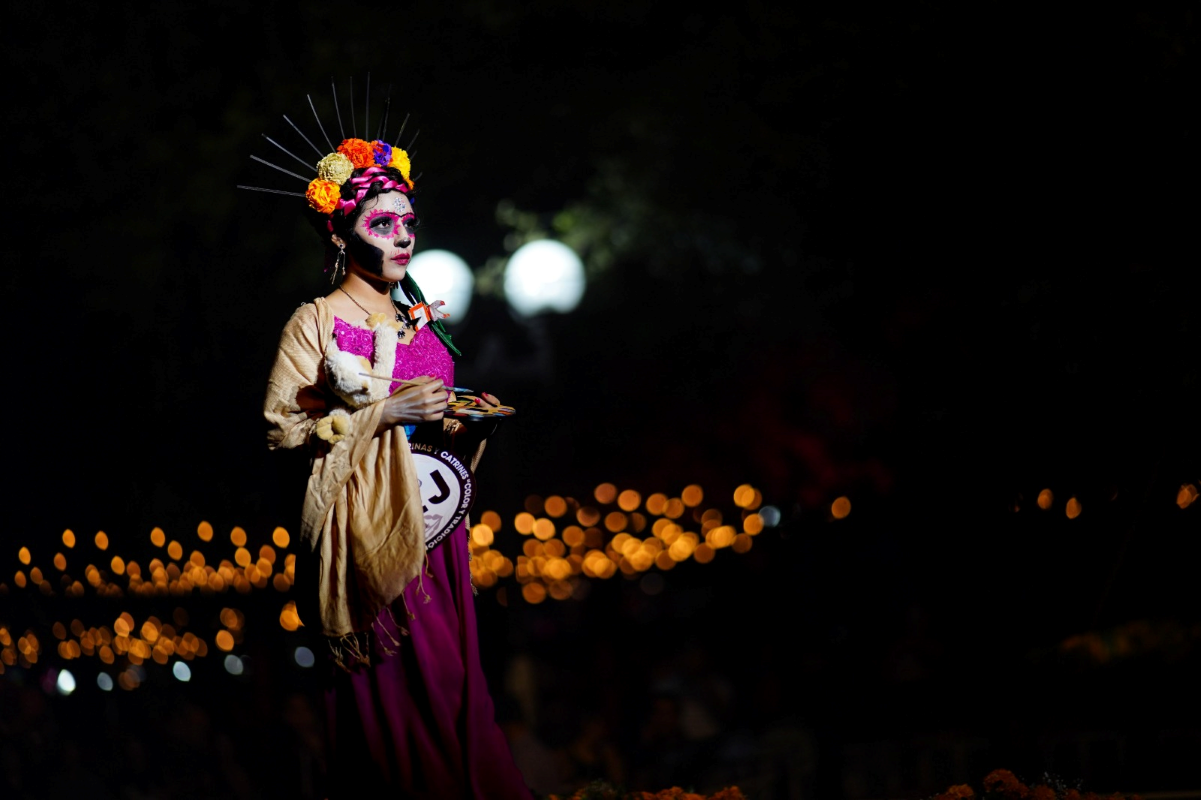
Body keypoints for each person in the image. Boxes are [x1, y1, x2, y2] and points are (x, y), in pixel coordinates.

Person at [261, 127, 533, 798]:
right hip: (369, 535)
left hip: (437, 532)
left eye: (408, 223)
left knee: (454, 688)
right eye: (381, 224)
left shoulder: (417, 318)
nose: (403, 237)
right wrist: (384, 413)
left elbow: (426, 426)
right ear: (339, 233)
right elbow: (283, 431)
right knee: (403, 707)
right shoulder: (314, 323)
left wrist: (458, 418)